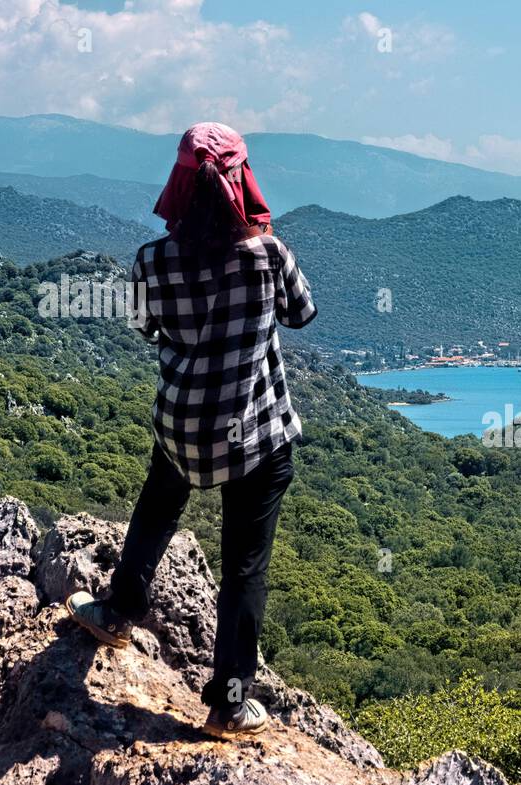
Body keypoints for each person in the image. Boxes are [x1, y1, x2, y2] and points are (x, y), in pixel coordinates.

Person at [67, 122, 317, 739]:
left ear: (179, 182)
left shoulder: (151, 261)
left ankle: (119, 611)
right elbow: (302, 313)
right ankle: (229, 701)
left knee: (157, 508)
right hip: (253, 432)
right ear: (242, 182)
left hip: (182, 426)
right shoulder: (268, 256)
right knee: (244, 567)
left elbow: (147, 328)